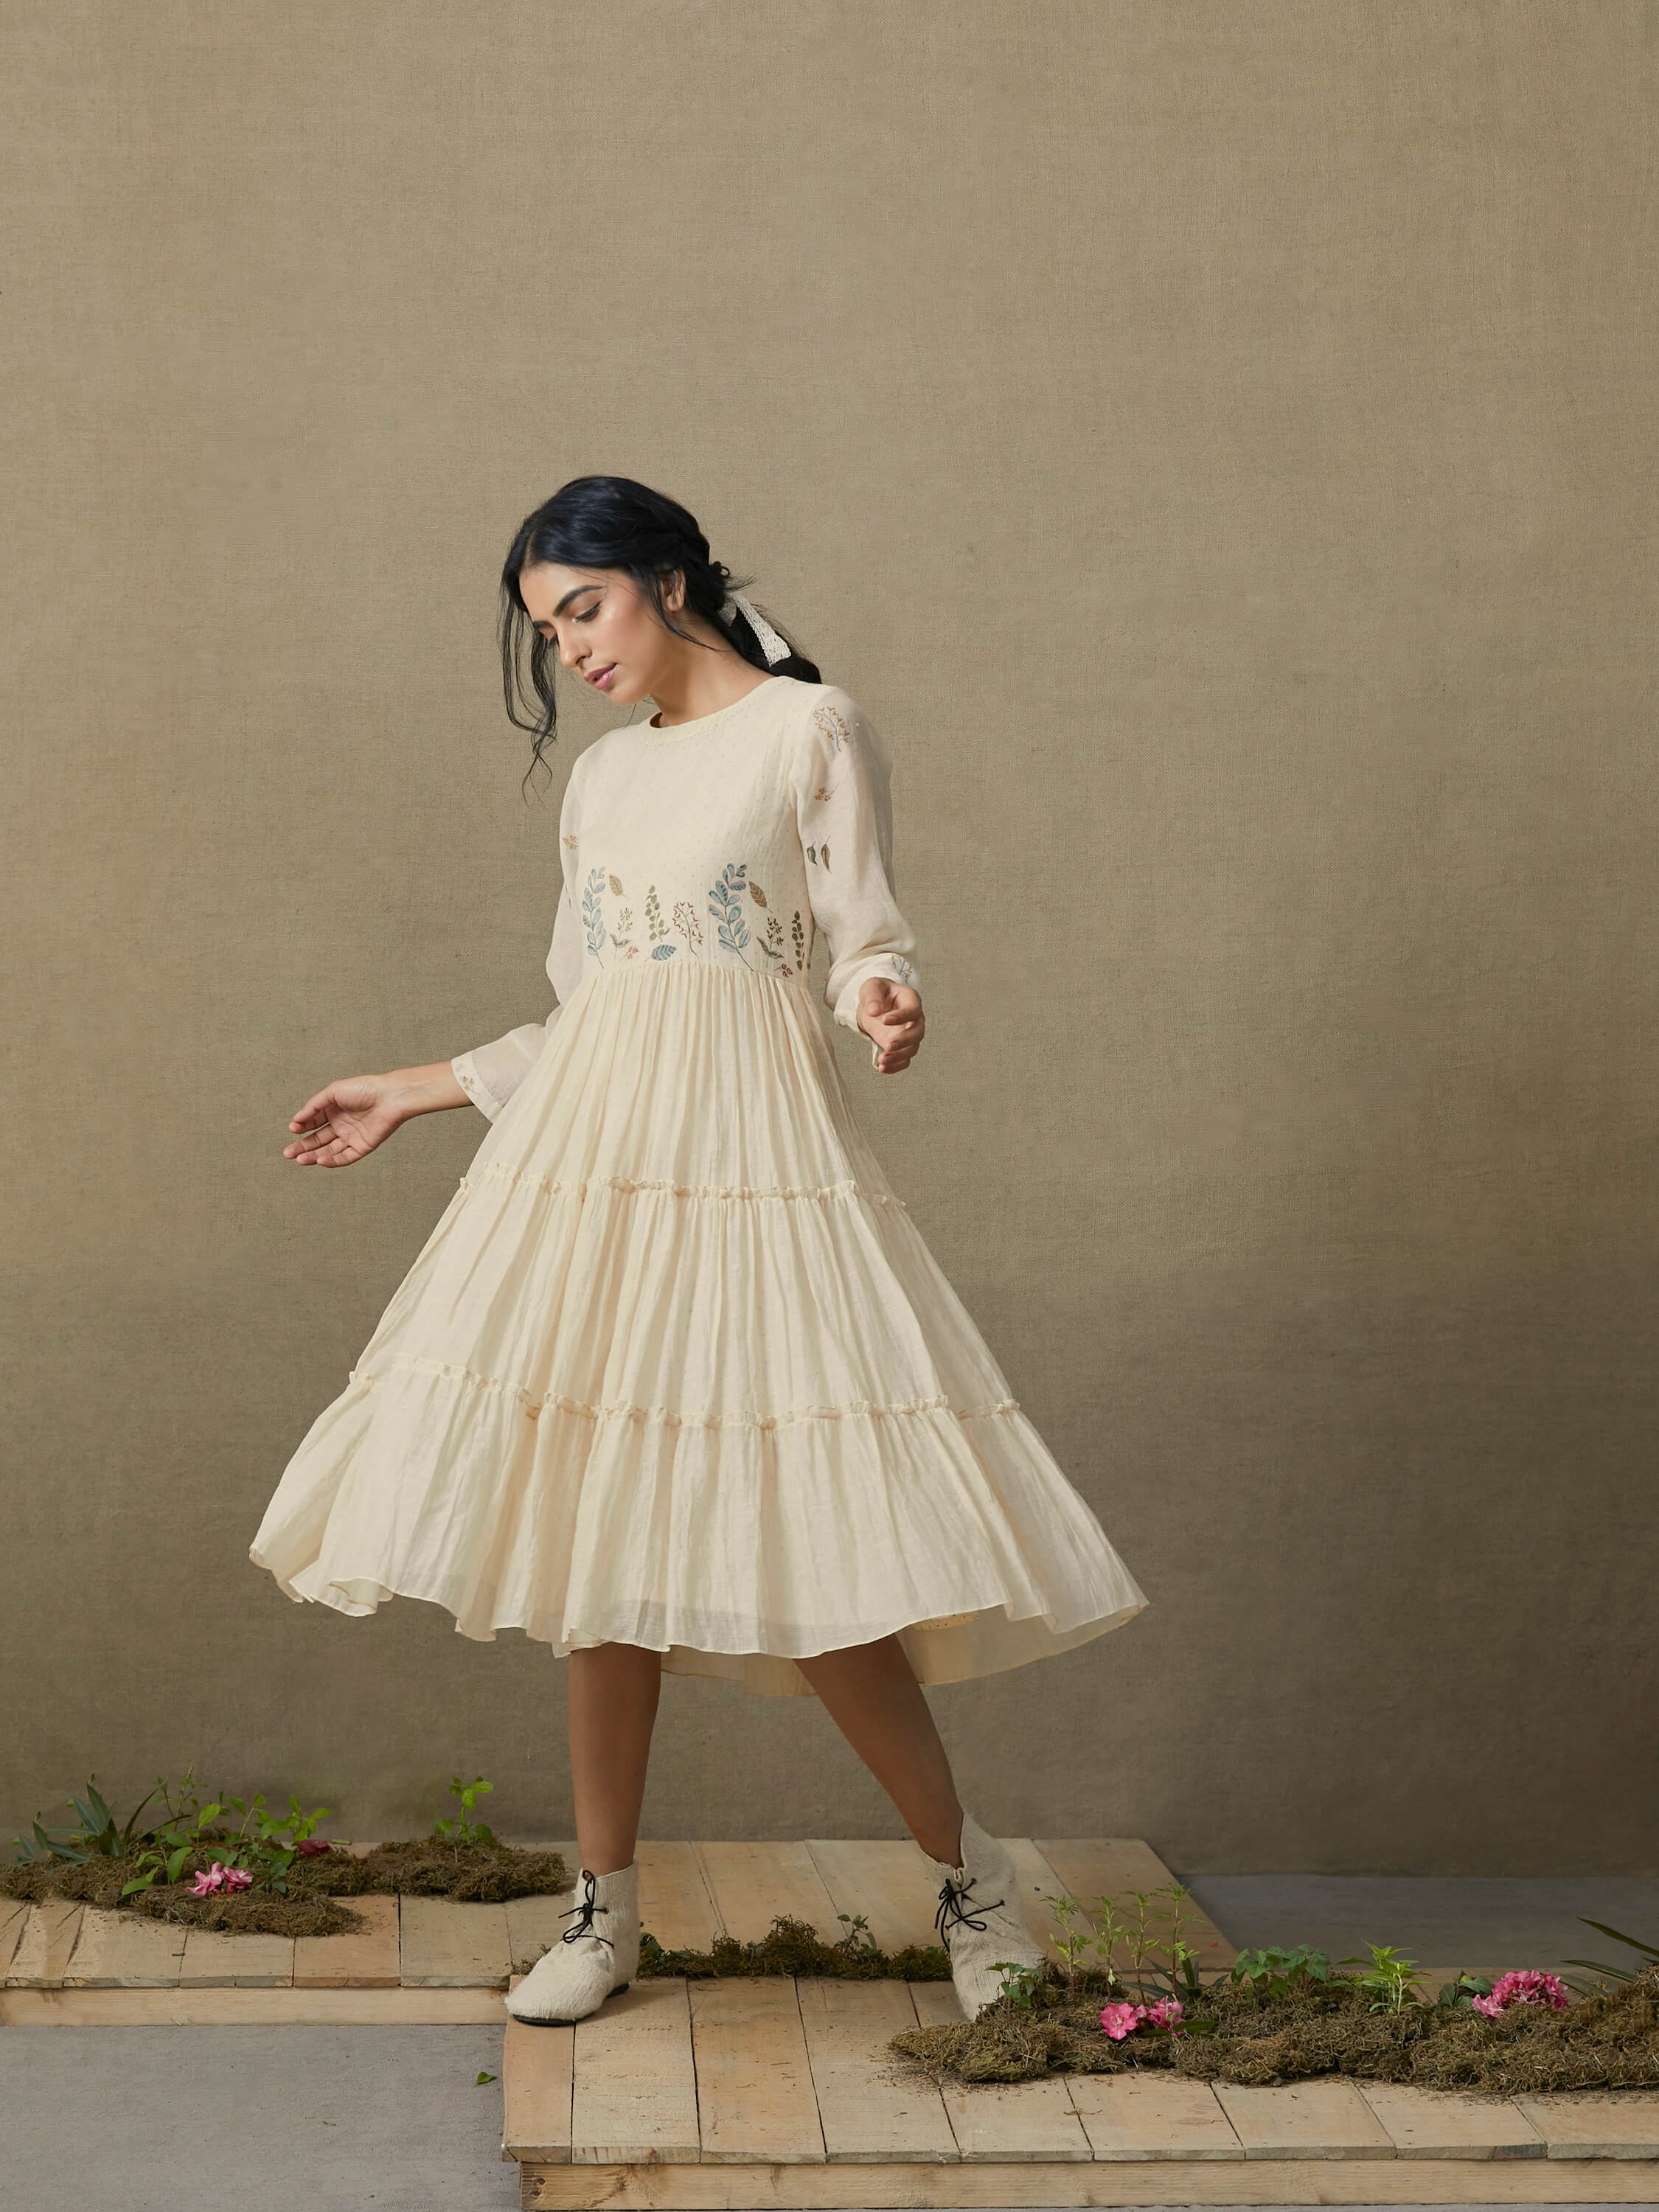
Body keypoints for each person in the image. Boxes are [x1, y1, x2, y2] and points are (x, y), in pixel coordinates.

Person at [249, 474, 1149, 2028]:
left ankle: (969, 1880)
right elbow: (596, 1011)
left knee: (831, 1568)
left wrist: (883, 996)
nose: (570, 652)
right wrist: (416, 1088)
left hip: (755, 1172)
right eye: (546, 631)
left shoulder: (811, 730)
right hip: (601, 1178)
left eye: (582, 609)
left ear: (667, 580)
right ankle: (604, 1918)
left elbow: (864, 929)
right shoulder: (600, 785)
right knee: (603, 1564)